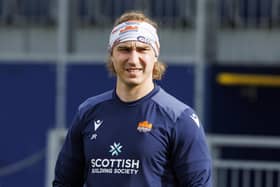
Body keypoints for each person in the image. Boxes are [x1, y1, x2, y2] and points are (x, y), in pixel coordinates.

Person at [53, 10, 212, 187]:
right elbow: (64, 183)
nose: (133, 59)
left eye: (142, 49)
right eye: (124, 49)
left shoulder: (180, 118)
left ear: (155, 55)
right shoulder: (88, 112)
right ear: (112, 55)